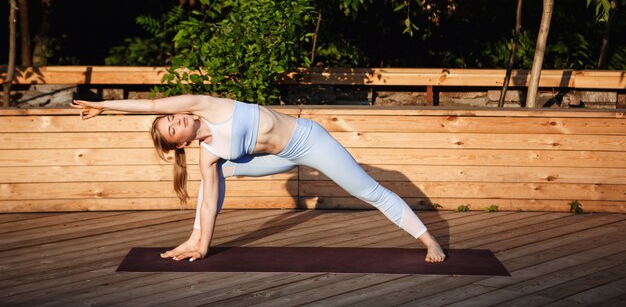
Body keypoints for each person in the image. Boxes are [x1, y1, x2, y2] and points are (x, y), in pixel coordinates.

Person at [71, 95, 446, 263]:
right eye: (172, 129)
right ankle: (194, 241)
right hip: (278, 158)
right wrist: (203, 243)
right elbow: (210, 203)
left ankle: (428, 240)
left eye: (173, 118)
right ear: (180, 143)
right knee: (210, 181)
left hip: (309, 142)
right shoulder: (207, 153)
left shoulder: (206, 106)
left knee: (369, 191)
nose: (176, 121)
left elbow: (152, 105)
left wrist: (104, 106)